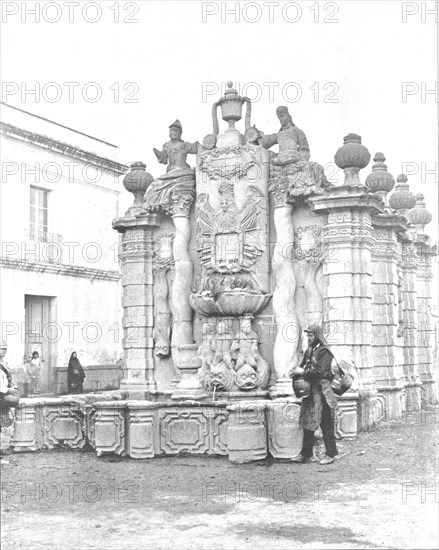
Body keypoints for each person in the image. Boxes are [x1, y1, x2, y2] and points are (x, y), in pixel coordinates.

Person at [291, 325, 339, 465]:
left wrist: (302, 372)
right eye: (308, 336)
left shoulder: (324, 352)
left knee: (325, 423)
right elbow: (303, 368)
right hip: (310, 392)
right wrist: (295, 371)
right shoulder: (309, 351)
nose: (309, 339)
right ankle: (306, 454)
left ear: (317, 336)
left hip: (322, 392)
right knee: (308, 421)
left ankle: (331, 454)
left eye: (311, 336)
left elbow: (321, 372)